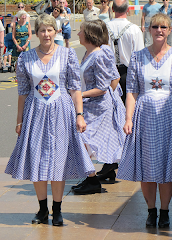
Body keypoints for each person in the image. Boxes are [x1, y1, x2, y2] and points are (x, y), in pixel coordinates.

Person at [5, 13, 95, 226]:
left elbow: (74, 88)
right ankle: (42, 209)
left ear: (56, 31)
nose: (46, 34)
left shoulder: (67, 54)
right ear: (36, 33)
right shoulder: (26, 58)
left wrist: (79, 115)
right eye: (42, 30)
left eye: (50, 30)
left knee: (58, 162)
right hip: (35, 112)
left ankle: (57, 209)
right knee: (37, 159)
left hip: (61, 112)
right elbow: (23, 92)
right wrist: (19, 121)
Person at [117, 13, 172, 228]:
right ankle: (151, 210)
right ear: (149, 29)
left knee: (167, 167)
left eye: (164, 27)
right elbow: (132, 91)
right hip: (144, 118)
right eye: (155, 27)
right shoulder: (137, 57)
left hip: (171, 118)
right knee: (147, 167)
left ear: (170, 30)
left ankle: (164, 211)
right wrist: (128, 118)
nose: (159, 31)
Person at [71, 20, 126, 194]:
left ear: (88, 35)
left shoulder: (100, 54)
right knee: (83, 141)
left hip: (98, 107)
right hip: (90, 105)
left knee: (83, 140)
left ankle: (93, 179)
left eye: (80, 31)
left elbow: (103, 87)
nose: (78, 34)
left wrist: (80, 95)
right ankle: (91, 177)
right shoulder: (88, 53)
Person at [106, 0, 144, 104]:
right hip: (128, 74)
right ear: (127, 10)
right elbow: (139, 57)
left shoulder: (104, 28)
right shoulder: (135, 29)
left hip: (108, 73)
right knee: (128, 106)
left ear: (113, 9)